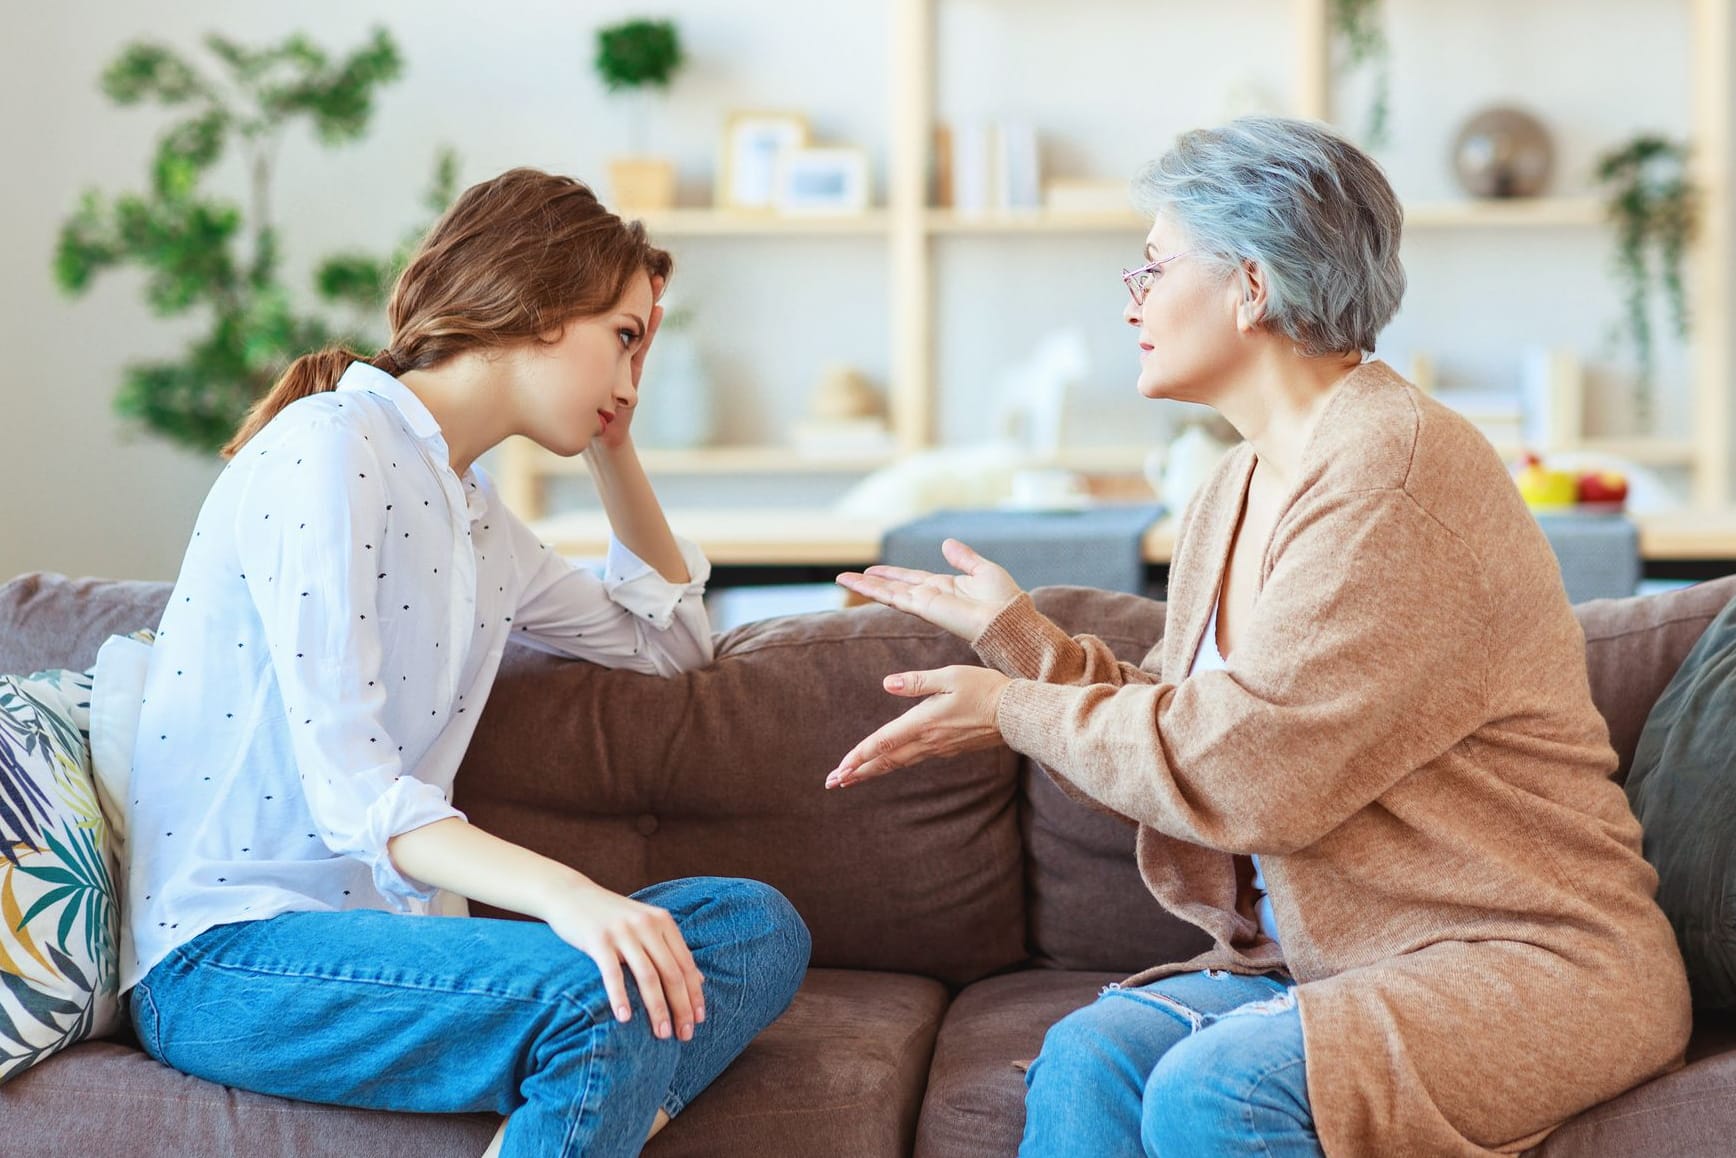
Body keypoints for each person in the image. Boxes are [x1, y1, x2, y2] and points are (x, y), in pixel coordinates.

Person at [831, 116, 1690, 1157]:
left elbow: (1251, 771)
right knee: (1088, 1054)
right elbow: (1202, 728)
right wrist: (1019, 642)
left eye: (1150, 268)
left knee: (1221, 1090)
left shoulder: (1391, 472)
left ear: (1249, 286)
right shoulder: (1233, 482)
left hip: (1529, 956)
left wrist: (1017, 710)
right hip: (1344, 959)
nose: (1131, 301)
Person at [122, 168, 810, 1158]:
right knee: (600, 988)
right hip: (229, 957)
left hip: (390, 949)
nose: (633, 373)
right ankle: (592, 1087)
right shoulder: (327, 449)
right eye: (623, 337)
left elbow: (669, 647)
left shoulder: (478, 519)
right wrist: (569, 898)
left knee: (754, 926)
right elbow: (357, 796)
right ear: (539, 309)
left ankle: (587, 1109)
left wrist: (614, 446)